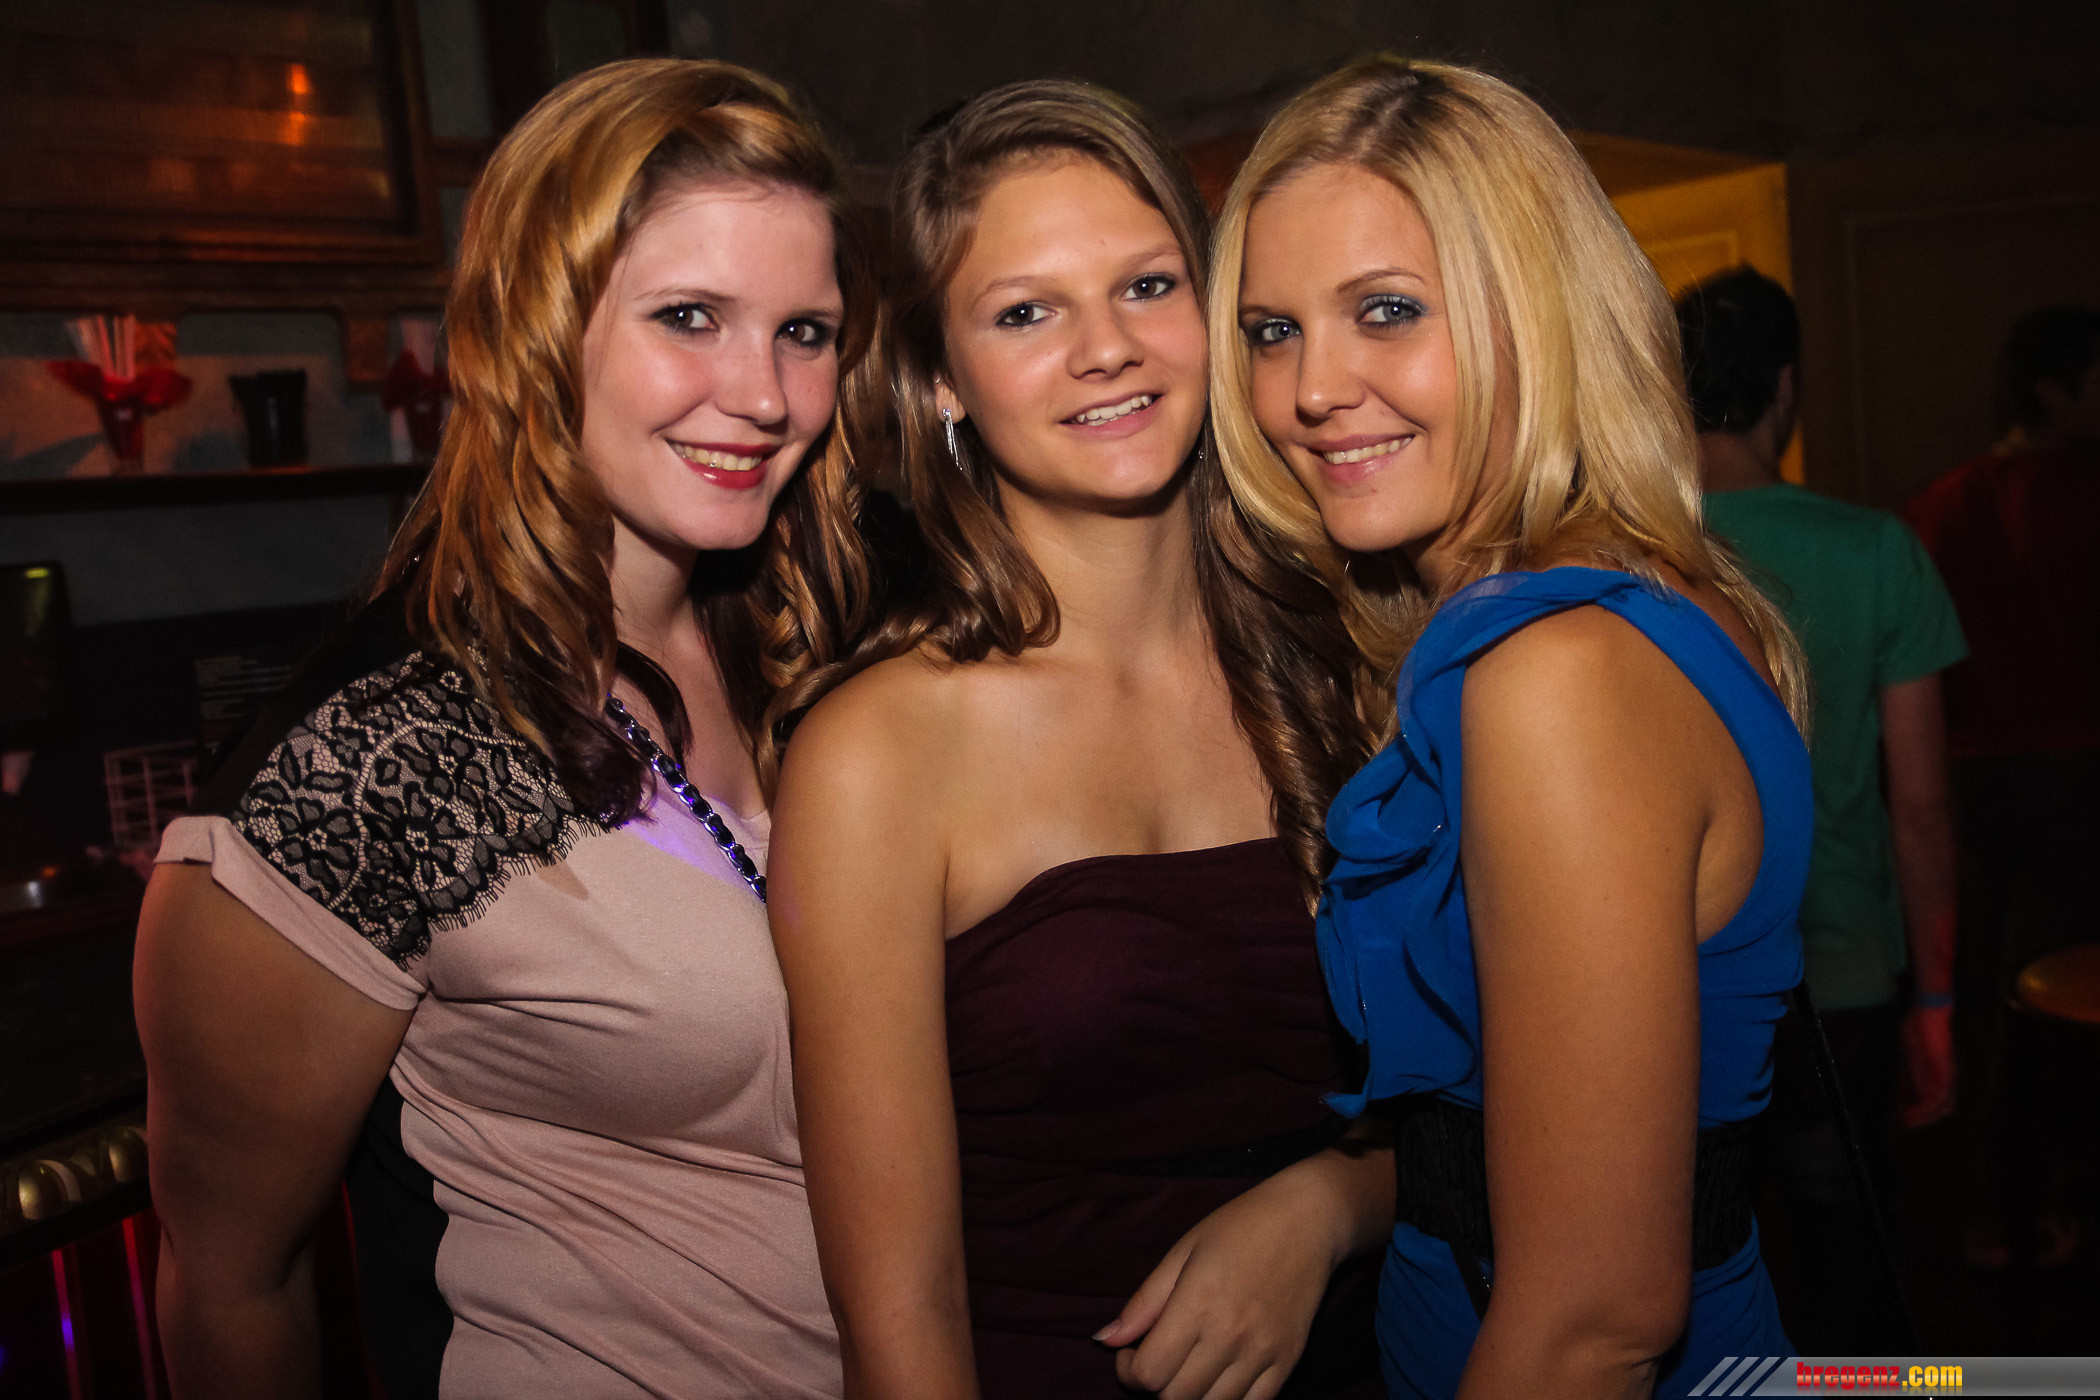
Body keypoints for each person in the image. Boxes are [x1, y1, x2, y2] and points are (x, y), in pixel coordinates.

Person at [134, 59, 877, 1398]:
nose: (765, 394)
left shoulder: (818, 652)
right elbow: (233, 1280)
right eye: (691, 316)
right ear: (535, 327)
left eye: (805, 332)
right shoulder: (368, 769)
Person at [768, 80, 1390, 1400]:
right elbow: (900, 1308)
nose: (1106, 348)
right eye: (1026, 312)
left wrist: (1330, 1207)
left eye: (1147, 286)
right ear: (943, 378)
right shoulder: (879, 752)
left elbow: (1512, 1098)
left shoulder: (1352, 663)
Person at [1209, 56, 1815, 1398]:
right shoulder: (1600, 615)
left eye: (1386, 310)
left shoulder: (1557, 672)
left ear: (1537, 316)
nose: (1312, 388)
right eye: (1270, 330)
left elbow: (1597, 1319)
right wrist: (1331, 1202)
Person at [1676, 268, 1966, 1347]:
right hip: (1838, 970)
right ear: (1786, 386)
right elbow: (1921, 805)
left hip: (1677, 983)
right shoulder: (1875, 549)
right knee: (1845, 1273)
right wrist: (1936, 995)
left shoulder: (1633, 556)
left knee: (1698, 1273)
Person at [1905, 305, 2100, 1269]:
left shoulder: (1941, 506)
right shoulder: (2077, 497)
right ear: (2054, 391)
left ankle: (1986, 1210)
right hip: (2071, 782)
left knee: (1981, 1000)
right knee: (2058, 1007)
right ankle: (2043, 1207)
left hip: (1970, 781)